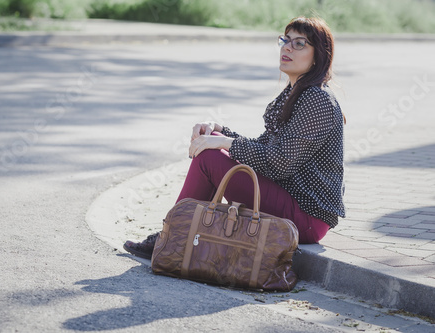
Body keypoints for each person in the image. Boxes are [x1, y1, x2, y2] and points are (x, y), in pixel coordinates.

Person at [124, 16, 346, 260]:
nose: (287, 47)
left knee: (210, 155)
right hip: (291, 202)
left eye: (300, 43)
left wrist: (223, 143)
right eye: (286, 39)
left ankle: (172, 235)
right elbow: (262, 147)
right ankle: (178, 234)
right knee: (213, 143)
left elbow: (280, 162)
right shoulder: (297, 93)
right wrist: (219, 130)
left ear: (319, 56)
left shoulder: (317, 99)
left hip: (307, 217)